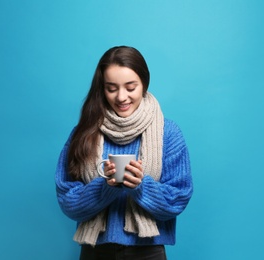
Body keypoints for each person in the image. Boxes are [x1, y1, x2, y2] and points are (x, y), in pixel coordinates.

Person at [55, 46, 193, 260]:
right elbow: (67, 200)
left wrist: (141, 187)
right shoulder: (83, 132)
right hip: (95, 252)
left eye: (131, 87)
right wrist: (105, 187)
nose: (121, 97)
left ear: (144, 84)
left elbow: (178, 199)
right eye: (111, 88)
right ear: (101, 88)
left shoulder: (169, 133)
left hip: (148, 252)